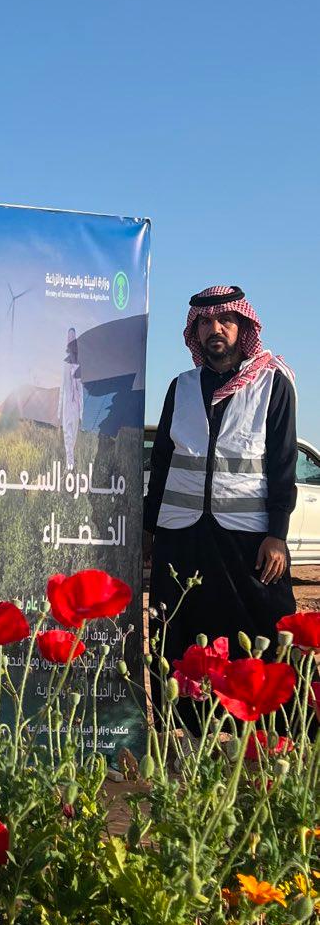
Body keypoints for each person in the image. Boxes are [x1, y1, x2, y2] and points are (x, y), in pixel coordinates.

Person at [144, 283, 297, 672]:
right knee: (177, 635)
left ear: (242, 326)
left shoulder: (272, 384)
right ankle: (180, 713)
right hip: (181, 536)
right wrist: (149, 526)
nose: (215, 329)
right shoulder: (181, 387)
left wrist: (277, 534)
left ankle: (259, 713)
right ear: (195, 331)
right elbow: (162, 462)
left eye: (226, 320)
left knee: (257, 637)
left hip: (247, 538)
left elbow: (283, 464)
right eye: (205, 322)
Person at [59, 327, 84, 471]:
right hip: (67, 403)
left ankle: (71, 462)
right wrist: (59, 410)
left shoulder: (78, 364)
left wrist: (81, 412)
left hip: (76, 405)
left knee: (73, 434)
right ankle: (70, 465)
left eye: (73, 338)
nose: (71, 340)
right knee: (67, 434)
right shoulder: (64, 364)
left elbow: (80, 390)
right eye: (69, 338)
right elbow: (62, 387)